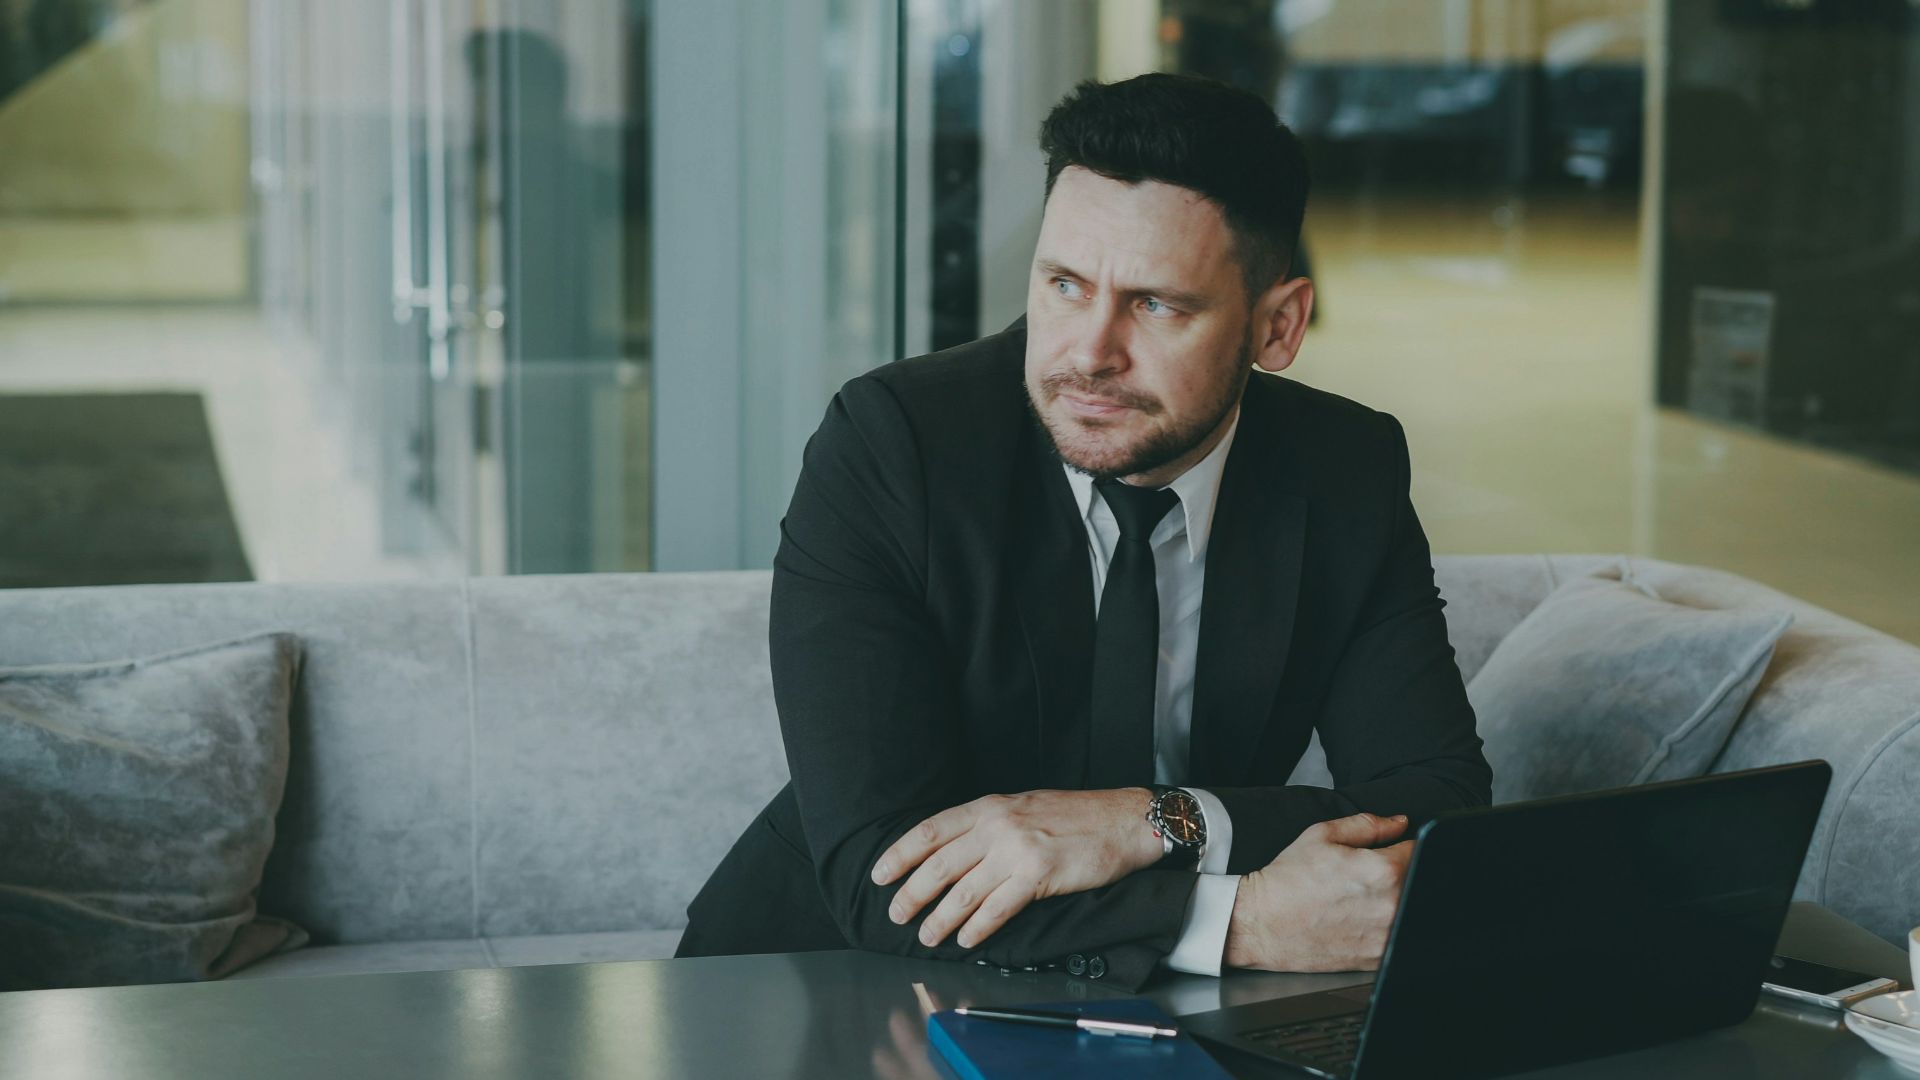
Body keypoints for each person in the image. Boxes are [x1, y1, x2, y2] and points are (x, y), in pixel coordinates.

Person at [676, 73, 1491, 992]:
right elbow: (883, 873)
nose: (1089, 353)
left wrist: (1152, 819)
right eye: (1064, 284)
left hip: (1168, 1018)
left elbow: (1435, 801)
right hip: (828, 986)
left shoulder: (1346, 468)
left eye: (1156, 305)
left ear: (1279, 324)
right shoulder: (893, 446)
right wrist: (1238, 916)